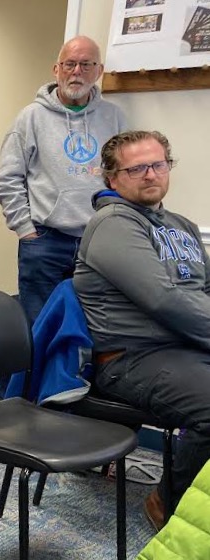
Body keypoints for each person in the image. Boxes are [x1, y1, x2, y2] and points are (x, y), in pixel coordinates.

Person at [73, 130, 210, 532]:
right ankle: (168, 502)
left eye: (158, 164)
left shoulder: (180, 225)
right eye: (136, 168)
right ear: (113, 178)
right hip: (131, 359)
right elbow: (164, 299)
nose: (150, 175)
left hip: (184, 349)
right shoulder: (114, 224)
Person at [0, 35, 126, 399]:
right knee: (36, 329)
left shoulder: (114, 117)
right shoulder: (31, 117)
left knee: (87, 330)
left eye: (86, 64)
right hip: (45, 242)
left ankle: (63, 404)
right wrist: (25, 230)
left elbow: (121, 177)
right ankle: (12, 403)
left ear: (99, 71)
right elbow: (7, 179)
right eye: (70, 63)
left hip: (97, 245)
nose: (77, 71)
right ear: (56, 69)